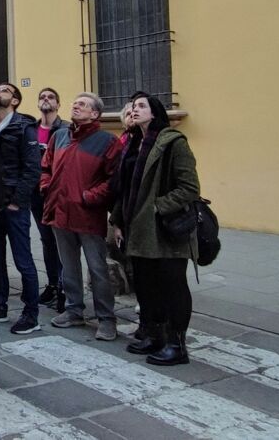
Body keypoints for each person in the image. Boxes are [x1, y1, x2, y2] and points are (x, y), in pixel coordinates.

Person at [111, 92, 199, 366]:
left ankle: (177, 344)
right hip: (136, 228)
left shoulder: (173, 142)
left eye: (141, 106)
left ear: (155, 112)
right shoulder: (133, 143)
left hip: (164, 229)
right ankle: (153, 334)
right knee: (146, 285)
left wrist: (156, 207)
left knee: (172, 286)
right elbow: (124, 188)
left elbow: (189, 188)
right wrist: (117, 220)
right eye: (133, 106)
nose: (135, 110)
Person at [40, 92, 121, 341]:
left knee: (97, 268)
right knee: (69, 265)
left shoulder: (108, 141)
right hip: (59, 211)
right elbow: (46, 166)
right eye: (75, 103)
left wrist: (88, 197)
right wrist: (46, 187)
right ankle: (74, 310)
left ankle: (106, 319)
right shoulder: (60, 136)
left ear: (95, 114)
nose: (76, 106)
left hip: (88, 215)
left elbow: (113, 179)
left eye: (82, 104)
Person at [0, 82, 42, 335]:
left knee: (23, 260)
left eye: (4, 91)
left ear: (15, 100)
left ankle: (31, 314)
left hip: (15, 203)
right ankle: (0, 305)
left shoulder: (24, 126)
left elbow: (32, 168)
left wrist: (18, 199)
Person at [31, 88, 68, 312]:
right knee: (46, 240)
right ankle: (52, 284)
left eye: (51, 97)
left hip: (58, 194)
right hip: (36, 195)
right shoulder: (31, 130)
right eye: (42, 97)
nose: (46, 99)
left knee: (62, 242)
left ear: (58, 104)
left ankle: (65, 288)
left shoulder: (65, 130)